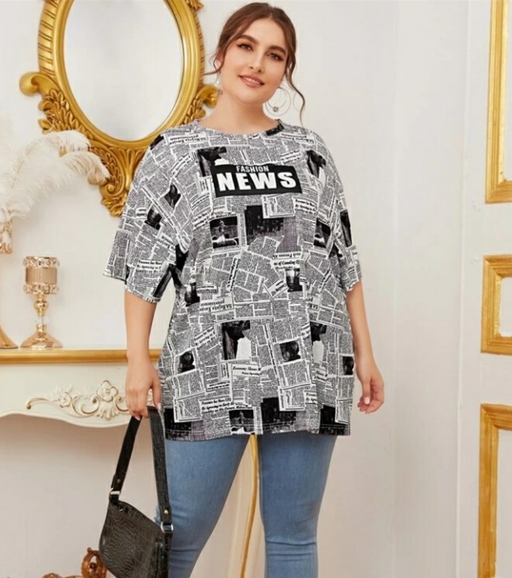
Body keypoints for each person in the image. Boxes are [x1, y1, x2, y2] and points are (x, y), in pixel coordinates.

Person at [104, 3, 384, 577]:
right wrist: (137, 360)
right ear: (223, 52)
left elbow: (342, 259)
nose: (258, 64)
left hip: (310, 361)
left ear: (286, 71)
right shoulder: (174, 153)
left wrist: (366, 353)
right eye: (247, 47)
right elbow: (143, 263)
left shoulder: (310, 152)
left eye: (275, 55)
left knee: (293, 538)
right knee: (177, 537)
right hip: (207, 365)